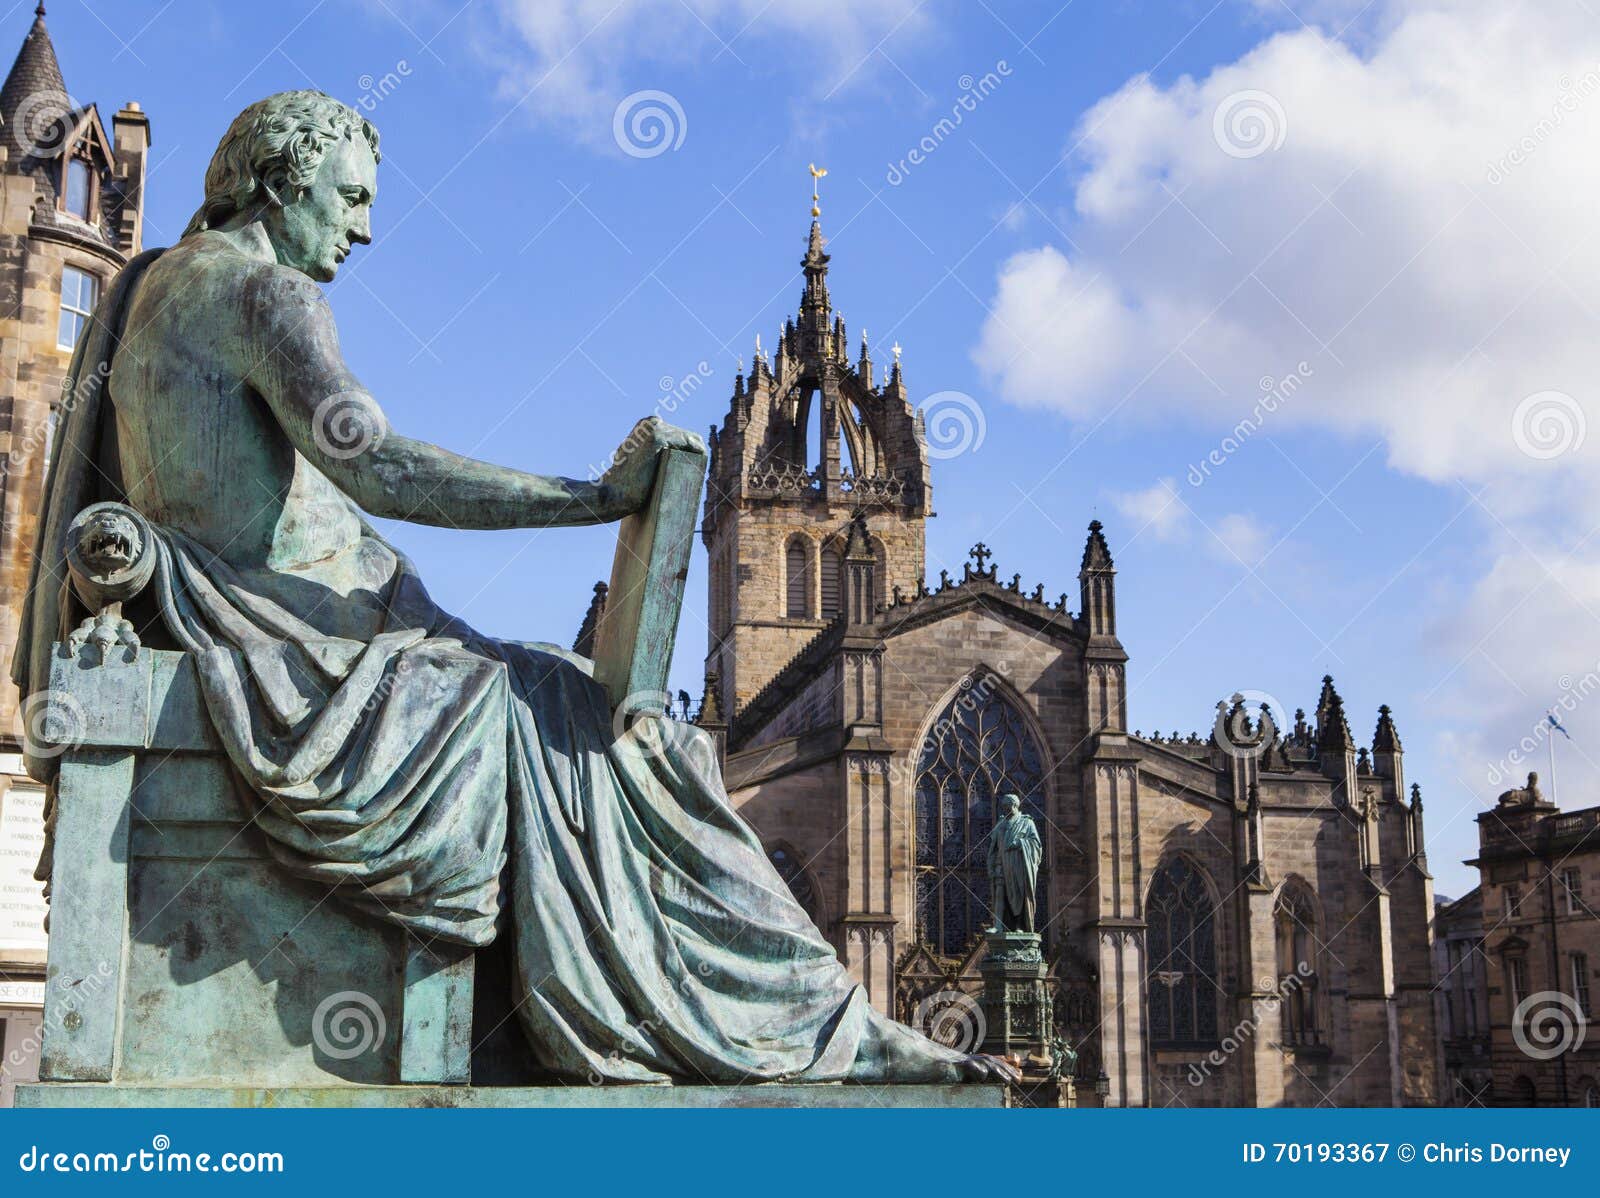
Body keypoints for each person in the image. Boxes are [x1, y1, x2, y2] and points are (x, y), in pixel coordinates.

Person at [14, 90, 1013, 1086]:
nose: (364, 226)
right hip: (289, 643)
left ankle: (804, 1021)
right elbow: (384, 469)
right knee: (632, 742)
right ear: (283, 183)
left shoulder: (151, 281)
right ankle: (815, 1033)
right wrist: (596, 498)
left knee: (609, 716)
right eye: (350, 198)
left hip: (272, 624)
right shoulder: (263, 294)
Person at [986, 793, 1042, 934]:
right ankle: (998, 925)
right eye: (1003, 806)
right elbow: (993, 847)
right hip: (1001, 864)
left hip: (1018, 866)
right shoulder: (1000, 824)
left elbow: (1036, 844)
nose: (1004, 808)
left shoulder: (1027, 822)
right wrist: (991, 866)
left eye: (1007, 806)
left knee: (1019, 895)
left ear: (1015, 805)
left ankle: (1019, 926)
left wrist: (1020, 843)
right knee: (1000, 894)